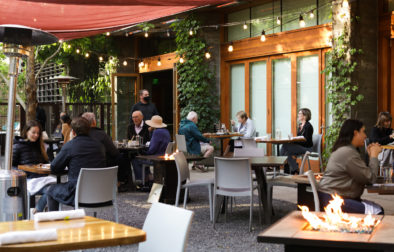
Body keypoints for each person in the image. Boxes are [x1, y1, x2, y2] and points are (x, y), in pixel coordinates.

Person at [318, 119, 383, 215]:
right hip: (333, 199)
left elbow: (363, 174)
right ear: (355, 133)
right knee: (378, 212)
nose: (365, 136)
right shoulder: (348, 152)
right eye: (363, 131)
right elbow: (370, 178)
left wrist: (371, 156)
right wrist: (374, 156)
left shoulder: (345, 150)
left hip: (332, 196)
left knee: (378, 208)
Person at [46, 117, 106, 211]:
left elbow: (54, 167)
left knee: (51, 190)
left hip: (77, 193)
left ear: (73, 132)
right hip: (100, 193)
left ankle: (54, 223)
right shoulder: (100, 146)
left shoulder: (70, 146)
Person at [12, 120, 54, 213]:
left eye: (38, 133)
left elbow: (46, 162)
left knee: (56, 189)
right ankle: (38, 211)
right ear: (26, 132)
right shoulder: (17, 146)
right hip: (28, 181)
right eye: (33, 132)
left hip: (41, 179)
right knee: (52, 190)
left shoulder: (40, 146)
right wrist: (22, 171)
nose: (36, 135)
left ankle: (44, 212)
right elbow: (11, 166)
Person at [131, 115, 170, 185]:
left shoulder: (157, 132)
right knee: (142, 157)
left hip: (157, 158)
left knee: (135, 159)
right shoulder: (166, 131)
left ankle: (142, 181)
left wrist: (143, 152)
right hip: (164, 156)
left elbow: (152, 150)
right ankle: (148, 176)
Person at [280, 108, 314, 174]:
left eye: (299, 114)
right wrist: (293, 140)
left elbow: (307, 141)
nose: (298, 115)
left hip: (307, 148)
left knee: (284, 146)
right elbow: (299, 138)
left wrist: (295, 141)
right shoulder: (300, 126)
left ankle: (281, 166)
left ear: (305, 116)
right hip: (301, 146)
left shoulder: (308, 126)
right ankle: (294, 169)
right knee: (286, 152)